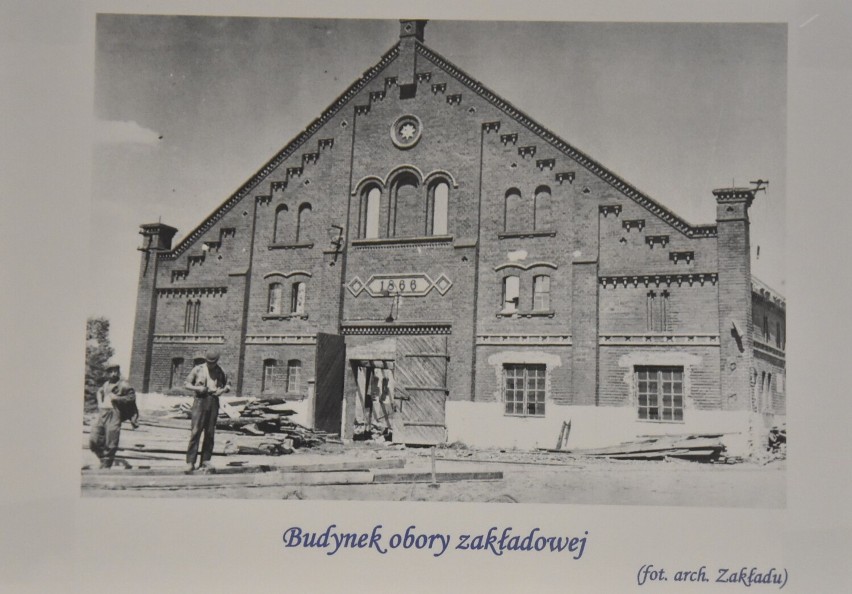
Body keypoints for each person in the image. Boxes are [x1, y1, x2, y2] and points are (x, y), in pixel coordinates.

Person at [184, 349, 230, 473]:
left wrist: (223, 390)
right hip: (200, 401)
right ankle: (190, 462)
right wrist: (197, 388)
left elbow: (227, 385)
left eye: (212, 363)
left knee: (210, 433)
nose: (210, 365)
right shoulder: (198, 369)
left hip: (213, 401)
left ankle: (205, 460)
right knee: (195, 432)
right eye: (208, 362)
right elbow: (186, 384)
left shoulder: (221, 371)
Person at [89, 359, 137, 469]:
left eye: (116, 371)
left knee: (111, 441)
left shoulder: (123, 385)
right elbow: (100, 391)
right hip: (103, 413)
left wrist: (117, 398)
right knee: (94, 439)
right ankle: (103, 458)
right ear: (107, 373)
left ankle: (106, 466)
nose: (114, 374)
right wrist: (99, 402)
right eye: (111, 371)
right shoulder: (106, 384)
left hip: (114, 413)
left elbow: (131, 397)